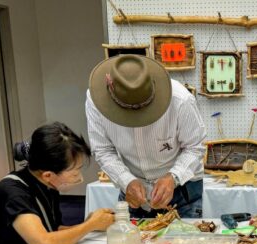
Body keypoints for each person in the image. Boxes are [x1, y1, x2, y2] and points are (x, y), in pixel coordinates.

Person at [85, 54, 206, 219]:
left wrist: (173, 176)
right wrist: (126, 180)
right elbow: (103, 150)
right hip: (132, 191)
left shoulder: (181, 100)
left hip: (182, 191)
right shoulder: (95, 101)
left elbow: (194, 147)